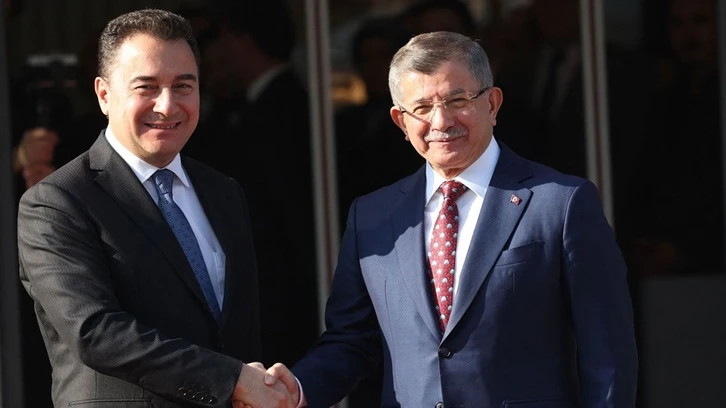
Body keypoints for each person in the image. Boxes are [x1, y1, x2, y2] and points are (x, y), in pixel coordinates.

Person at [263, 31, 638, 407]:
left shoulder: (561, 203)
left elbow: (607, 354)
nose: (441, 121)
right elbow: (351, 341)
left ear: (492, 104)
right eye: (422, 108)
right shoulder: (372, 217)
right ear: (401, 122)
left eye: (457, 100)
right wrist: (296, 389)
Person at [17, 9, 294, 408]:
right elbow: (94, 331)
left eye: (183, 86)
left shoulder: (223, 191)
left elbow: (242, 325)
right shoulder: (58, 201)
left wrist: (259, 384)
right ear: (104, 95)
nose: (167, 106)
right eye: (146, 87)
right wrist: (231, 380)